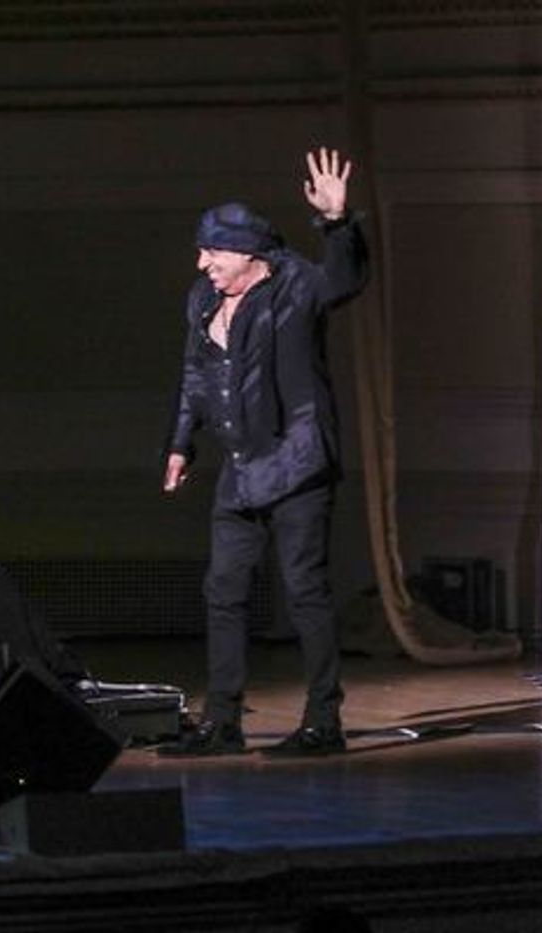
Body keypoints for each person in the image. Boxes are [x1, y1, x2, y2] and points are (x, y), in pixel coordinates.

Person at [160, 147, 369, 756]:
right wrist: (180, 443)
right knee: (222, 590)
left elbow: (347, 278)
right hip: (240, 467)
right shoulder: (201, 301)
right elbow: (196, 375)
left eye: (213, 252)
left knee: (304, 589)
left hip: (298, 462)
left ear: (249, 255)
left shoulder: (297, 284)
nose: (203, 264)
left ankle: (323, 723)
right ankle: (222, 722)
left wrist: (336, 222)